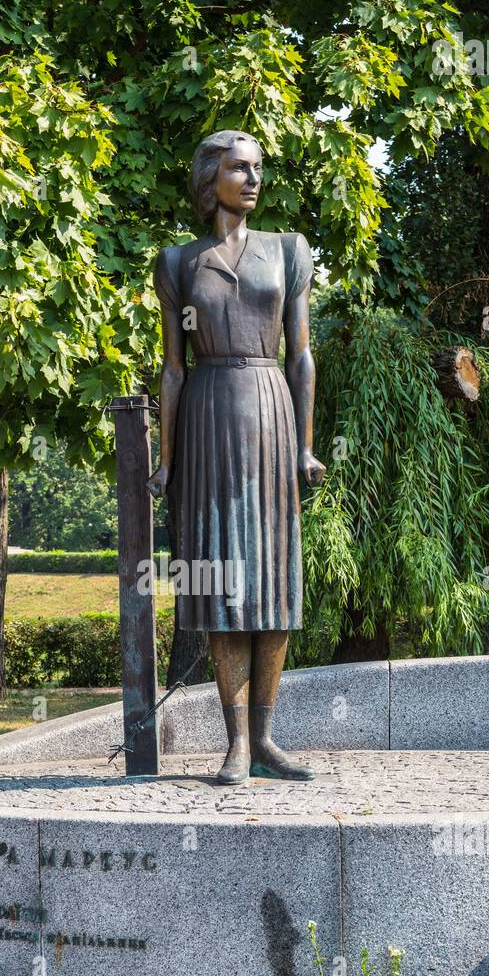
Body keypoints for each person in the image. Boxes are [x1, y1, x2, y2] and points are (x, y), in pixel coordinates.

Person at [147, 129, 325, 784]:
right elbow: (171, 369)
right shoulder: (177, 262)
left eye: (258, 168)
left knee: (273, 583)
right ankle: (234, 743)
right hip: (207, 413)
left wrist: (306, 447)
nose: (252, 179)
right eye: (238, 168)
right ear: (209, 178)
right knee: (223, 584)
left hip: (271, 409)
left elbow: (302, 354)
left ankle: (268, 738)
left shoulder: (289, 252)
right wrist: (166, 461)